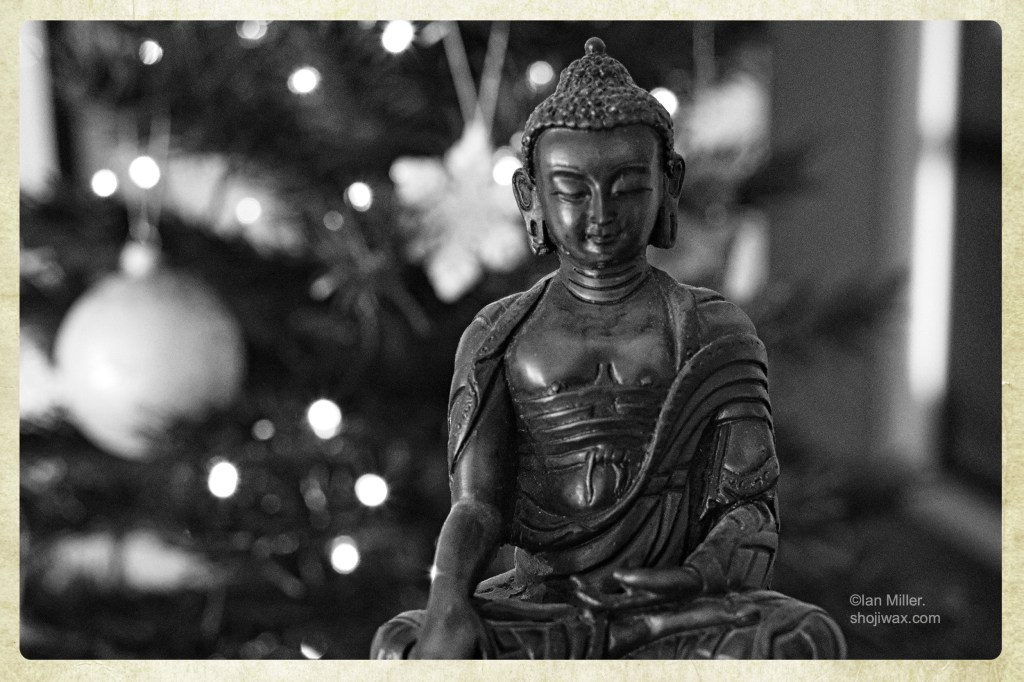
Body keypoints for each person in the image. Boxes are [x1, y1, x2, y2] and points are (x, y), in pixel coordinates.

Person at [371, 37, 845, 660]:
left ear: (668, 185)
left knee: (801, 639)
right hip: (541, 602)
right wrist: (448, 600)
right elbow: (477, 505)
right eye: (571, 188)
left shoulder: (713, 329)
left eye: (625, 186)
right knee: (401, 644)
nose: (600, 213)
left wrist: (696, 575)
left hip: (674, 608)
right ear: (530, 195)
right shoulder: (498, 336)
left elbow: (748, 509)